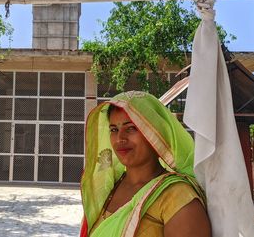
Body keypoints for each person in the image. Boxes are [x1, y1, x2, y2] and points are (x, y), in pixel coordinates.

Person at [80, 91, 211, 237]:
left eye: (131, 128)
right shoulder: (110, 188)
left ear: (154, 132)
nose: (119, 138)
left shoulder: (177, 197)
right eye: (114, 130)